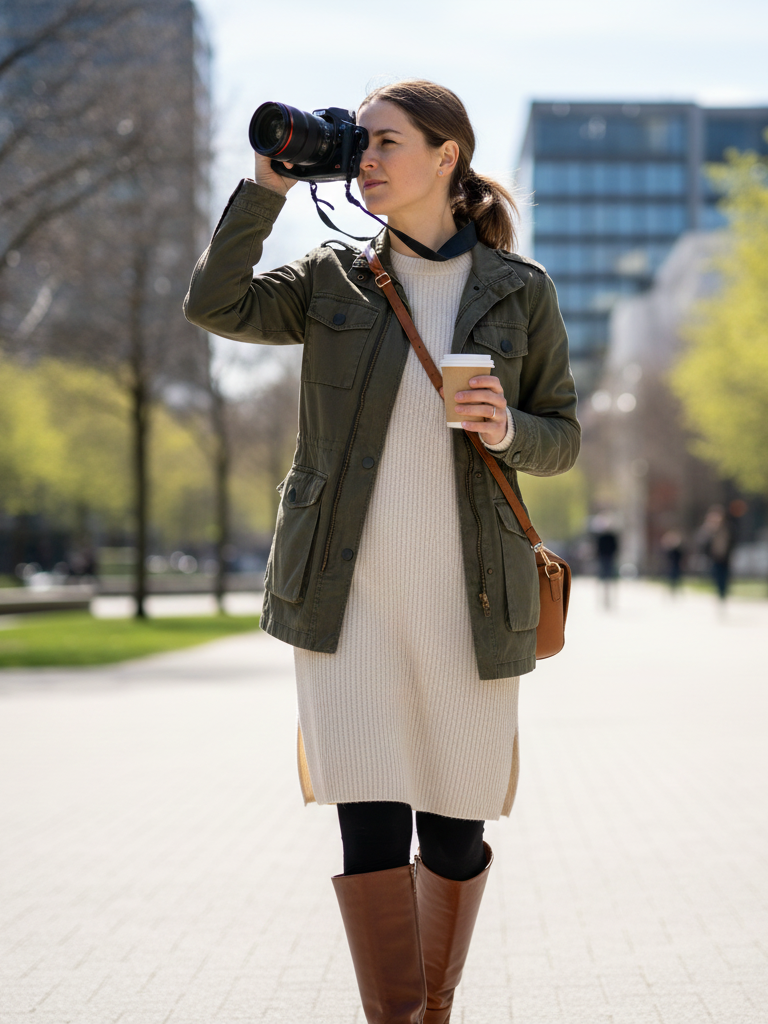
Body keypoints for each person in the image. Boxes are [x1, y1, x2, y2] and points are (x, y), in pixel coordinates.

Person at [184, 79, 580, 1024]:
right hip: (347, 595)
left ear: (447, 155)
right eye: (357, 141)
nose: (364, 156)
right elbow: (215, 303)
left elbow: (562, 436)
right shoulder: (332, 278)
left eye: (386, 141)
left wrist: (507, 429)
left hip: (471, 600)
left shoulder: (520, 292)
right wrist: (266, 188)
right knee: (369, 827)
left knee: (451, 834)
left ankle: (430, 1010)